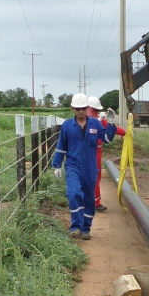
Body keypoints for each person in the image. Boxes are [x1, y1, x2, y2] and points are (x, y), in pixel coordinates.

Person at [52, 92, 116, 239]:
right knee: (74, 193)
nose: (81, 111)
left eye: (83, 108)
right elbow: (61, 146)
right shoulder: (67, 125)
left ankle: (86, 228)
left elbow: (107, 139)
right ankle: (76, 226)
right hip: (73, 166)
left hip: (90, 168)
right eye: (77, 108)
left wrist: (111, 124)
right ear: (72, 109)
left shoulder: (95, 124)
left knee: (89, 199)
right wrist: (57, 165)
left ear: (87, 108)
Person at [87, 95, 125, 211]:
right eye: (95, 110)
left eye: (97, 110)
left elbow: (111, 129)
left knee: (96, 176)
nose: (96, 113)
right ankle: (87, 202)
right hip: (85, 152)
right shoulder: (82, 120)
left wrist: (124, 132)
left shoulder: (99, 120)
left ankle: (95, 202)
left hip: (97, 151)